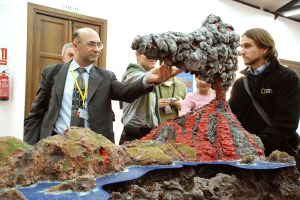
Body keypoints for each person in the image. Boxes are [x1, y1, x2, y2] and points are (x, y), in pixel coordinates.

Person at [24, 27, 182, 145]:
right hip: (56, 143)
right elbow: (36, 113)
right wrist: (30, 149)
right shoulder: (52, 73)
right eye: (92, 44)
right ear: (76, 46)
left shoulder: (105, 77)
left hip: (93, 147)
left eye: (100, 45)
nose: (97, 49)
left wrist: (147, 79)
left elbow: (125, 93)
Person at [229, 28, 300, 158]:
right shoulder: (240, 83)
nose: (242, 51)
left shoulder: (287, 78)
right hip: (245, 157)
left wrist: (258, 145)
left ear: (265, 48)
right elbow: (231, 120)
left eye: (248, 46)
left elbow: (286, 123)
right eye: (241, 46)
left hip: (278, 157)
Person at [119, 51, 159, 144]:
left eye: (157, 54)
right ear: (137, 54)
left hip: (151, 133)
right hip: (133, 135)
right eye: (148, 53)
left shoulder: (149, 74)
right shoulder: (132, 75)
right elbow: (144, 79)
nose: (153, 57)